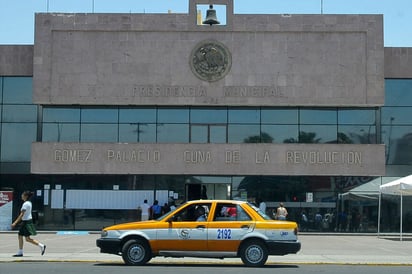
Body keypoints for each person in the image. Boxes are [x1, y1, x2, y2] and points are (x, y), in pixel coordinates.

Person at [11, 191, 46, 257]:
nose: (21, 196)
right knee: (22, 236)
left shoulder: (25, 204)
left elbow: (21, 214)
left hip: (26, 222)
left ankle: (41, 246)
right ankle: (21, 252)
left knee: (26, 238)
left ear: (26, 196)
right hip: (27, 221)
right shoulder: (29, 203)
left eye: (22, 195)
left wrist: (15, 223)